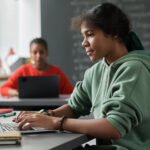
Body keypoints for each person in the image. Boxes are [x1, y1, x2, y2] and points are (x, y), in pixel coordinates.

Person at [13, 3, 150, 150]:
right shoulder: (96, 71)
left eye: (90, 35)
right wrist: (44, 115)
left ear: (114, 33)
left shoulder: (135, 70)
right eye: (83, 36)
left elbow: (114, 127)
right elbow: (74, 107)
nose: (84, 43)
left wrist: (56, 122)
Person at [0, 38, 73, 97]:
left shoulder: (56, 71)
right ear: (30, 54)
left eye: (41, 52)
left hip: (52, 110)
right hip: (27, 109)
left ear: (46, 53)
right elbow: (3, 89)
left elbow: (71, 92)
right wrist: (17, 93)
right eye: (35, 52)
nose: (38, 56)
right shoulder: (23, 70)